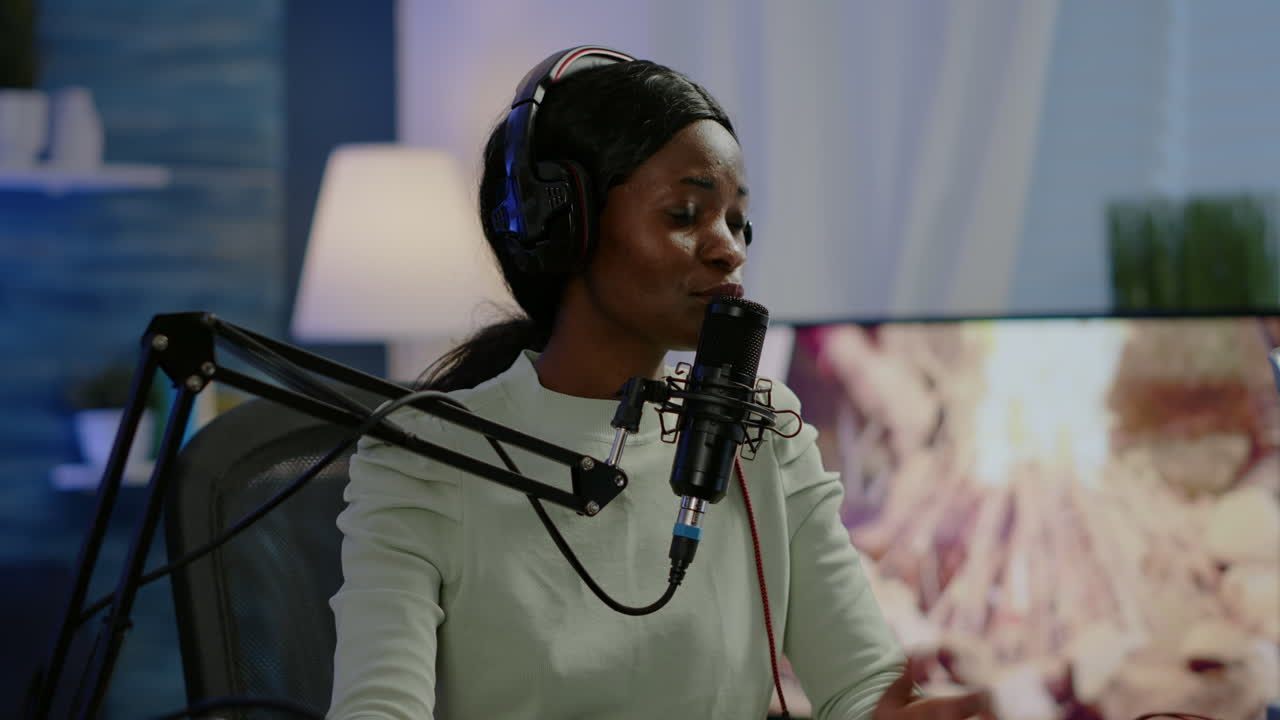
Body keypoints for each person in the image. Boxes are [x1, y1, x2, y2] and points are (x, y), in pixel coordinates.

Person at [327, 46, 996, 720]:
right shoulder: (423, 456)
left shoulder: (761, 430)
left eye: (737, 221)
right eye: (685, 214)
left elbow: (862, 689)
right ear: (565, 224)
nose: (729, 247)